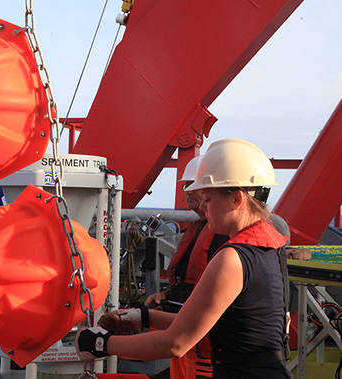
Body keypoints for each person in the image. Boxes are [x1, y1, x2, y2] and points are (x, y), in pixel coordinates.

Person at [76, 139, 292, 379]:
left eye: (208, 199)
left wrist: (100, 344)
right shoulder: (265, 248)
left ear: (237, 199)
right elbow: (206, 321)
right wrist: (143, 317)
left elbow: (176, 343)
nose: (203, 207)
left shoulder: (232, 259)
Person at [145, 155, 229, 379]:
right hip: (188, 343)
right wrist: (166, 294)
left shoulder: (227, 237)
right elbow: (190, 283)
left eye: (195, 186)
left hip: (208, 351)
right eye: (186, 185)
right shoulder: (201, 229)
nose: (188, 191)